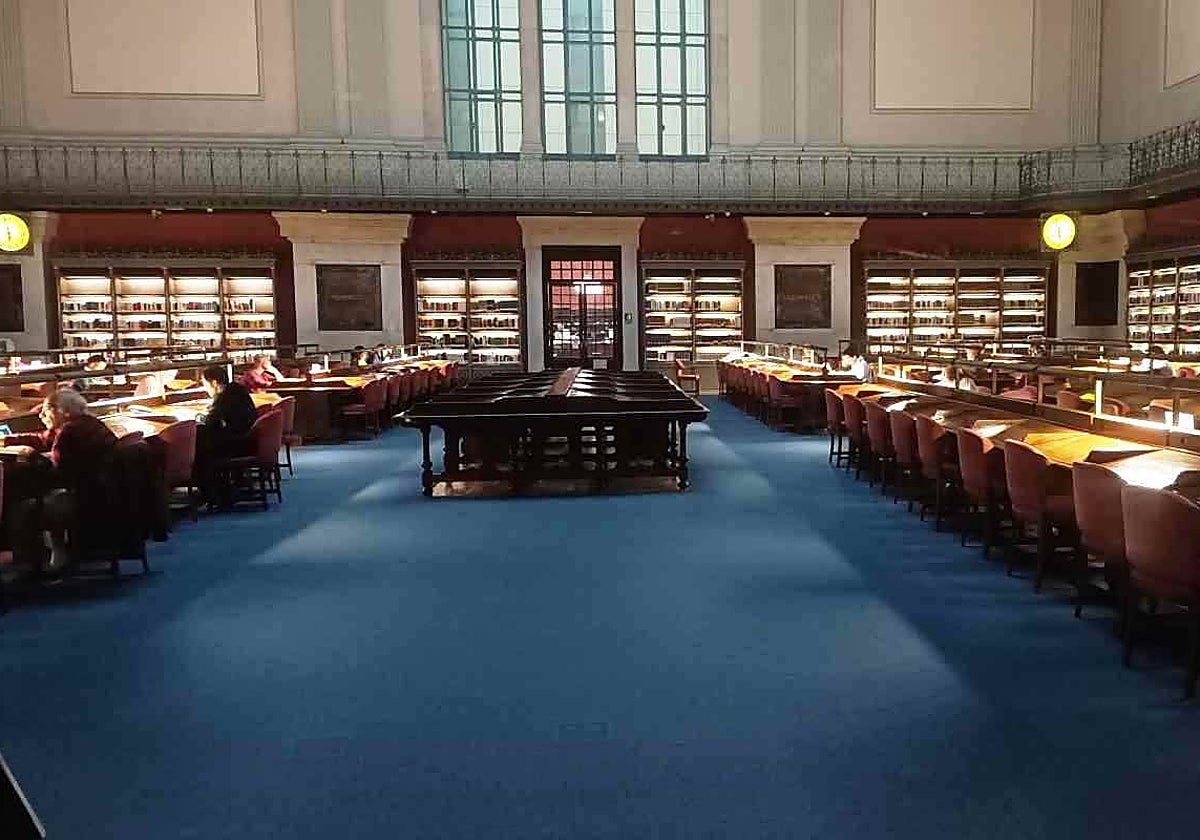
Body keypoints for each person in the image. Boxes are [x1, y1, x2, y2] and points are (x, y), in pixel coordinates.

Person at [0, 388, 117, 571]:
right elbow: (45, 439)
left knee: (19, 507)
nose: (41, 415)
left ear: (63, 411)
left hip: (84, 497)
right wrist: (8, 440)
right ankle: (50, 555)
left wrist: (33, 458)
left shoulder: (70, 432)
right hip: (99, 491)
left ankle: (31, 562)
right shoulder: (87, 423)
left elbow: (58, 475)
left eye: (47, 409)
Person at [194, 365, 258, 507]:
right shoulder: (237, 389)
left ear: (214, 383)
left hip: (240, 444)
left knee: (201, 445)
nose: (206, 389)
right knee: (203, 442)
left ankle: (212, 491)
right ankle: (215, 490)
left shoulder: (223, 397)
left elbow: (212, 422)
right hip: (249, 439)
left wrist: (199, 416)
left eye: (205, 385)